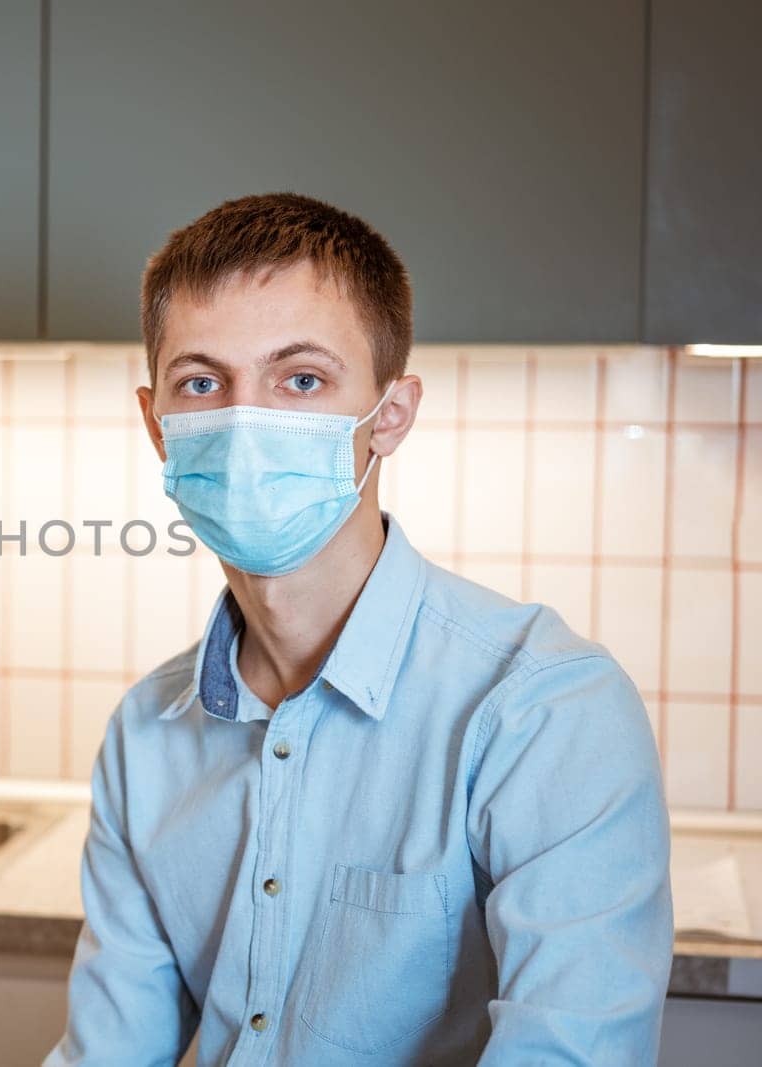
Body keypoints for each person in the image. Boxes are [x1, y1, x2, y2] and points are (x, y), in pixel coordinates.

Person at [44, 193, 673, 1066]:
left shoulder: (545, 709)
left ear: (391, 414)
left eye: (301, 379)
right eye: (202, 382)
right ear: (159, 427)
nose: (244, 420)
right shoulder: (145, 735)